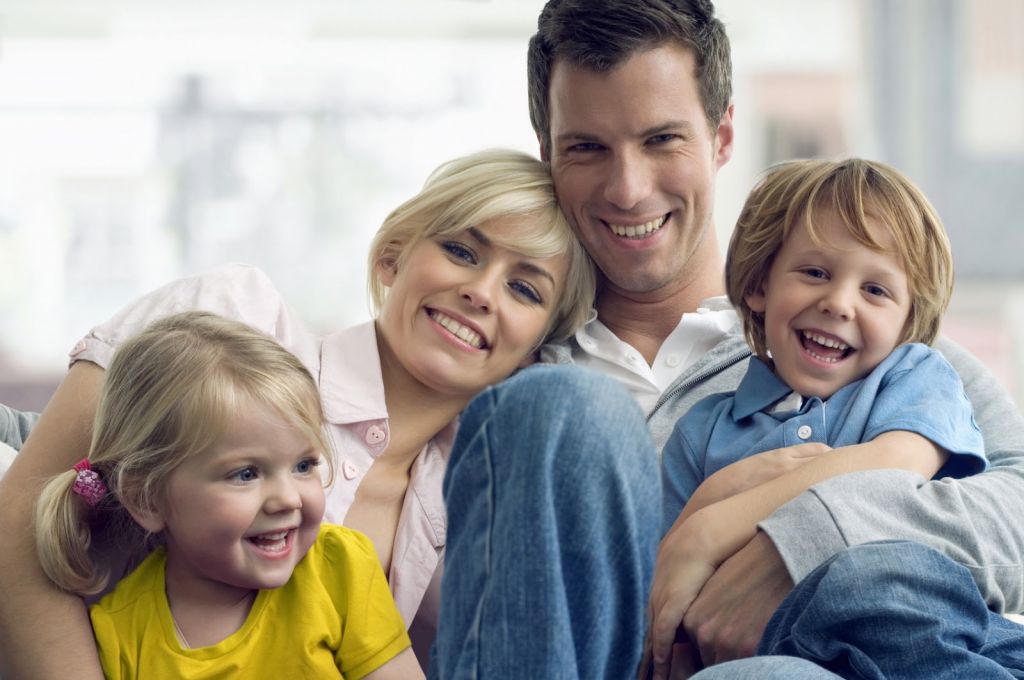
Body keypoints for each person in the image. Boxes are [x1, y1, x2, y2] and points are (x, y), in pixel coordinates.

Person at [520, 0, 1024, 675]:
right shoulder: (515, 385)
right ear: (547, 150)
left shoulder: (884, 349)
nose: (630, 189)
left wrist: (790, 536)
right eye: (587, 147)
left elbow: (1013, 507)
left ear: (722, 136)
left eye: (662, 139)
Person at [0, 148, 597, 677]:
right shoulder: (233, 316)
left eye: (526, 289)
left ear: (537, 350)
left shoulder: (471, 510)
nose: (482, 291)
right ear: (392, 256)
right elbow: (22, 519)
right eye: (462, 250)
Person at [649, 157, 992, 678]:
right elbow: (668, 584)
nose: (838, 303)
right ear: (760, 285)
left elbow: (894, 466)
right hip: (777, 650)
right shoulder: (701, 431)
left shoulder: (913, 375)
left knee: (871, 572)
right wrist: (703, 507)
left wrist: (719, 522)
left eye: (875, 290)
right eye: (815, 273)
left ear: (906, 322)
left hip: (915, 629)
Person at [34, 311, 422, 679]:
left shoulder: (341, 568)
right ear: (147, 499)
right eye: (246, 474)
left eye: (304, 466)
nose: (288, 499)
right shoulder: (120, 634)